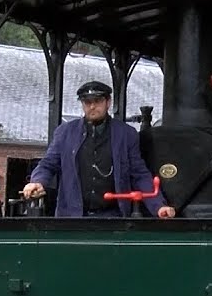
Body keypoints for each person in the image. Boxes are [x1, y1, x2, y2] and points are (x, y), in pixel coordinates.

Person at [21, 80, 176, 218]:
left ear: (108, 102)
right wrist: (37, 181)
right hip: (72, 218)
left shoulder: (126, 134)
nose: (92, 106)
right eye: (87, 102)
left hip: (113, 217)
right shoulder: (65, 132)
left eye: (97, 101)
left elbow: (139, 173)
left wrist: (159, 206)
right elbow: (48, 163)